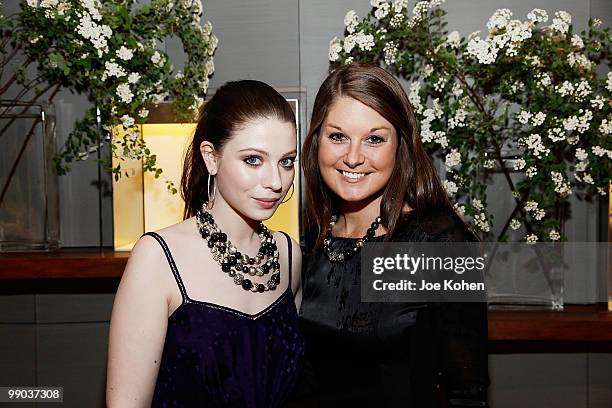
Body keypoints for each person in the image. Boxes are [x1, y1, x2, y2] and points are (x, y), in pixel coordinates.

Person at [297, 63, 490, 407]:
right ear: (316, 141)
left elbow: (468, 391)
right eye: (337, 136)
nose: (353, 157)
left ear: (400, 145)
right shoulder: (311, 235)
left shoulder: (439, 242)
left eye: (374, 139)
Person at [106, 80, 304, 407]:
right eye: (253, 160)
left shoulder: (288, 255)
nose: (275, 181)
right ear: (211, 157)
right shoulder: (157, 259)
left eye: (286, 161)